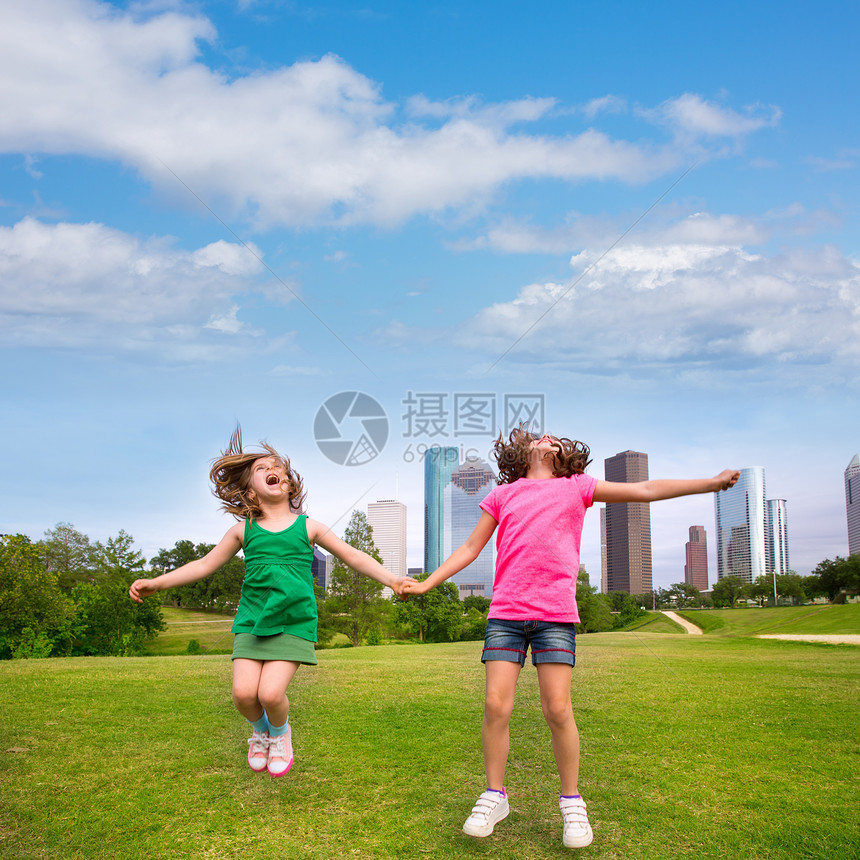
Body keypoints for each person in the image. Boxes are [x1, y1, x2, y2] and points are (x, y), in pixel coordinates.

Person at [401, 426, 739, 849]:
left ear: (563, 454)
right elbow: (470, 547)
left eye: (554, 438)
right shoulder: (503, 494)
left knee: (557, 708)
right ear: (522, 452)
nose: (546, 437)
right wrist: (428, 583)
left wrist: (710, 483)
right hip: (506, 613)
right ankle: (494, 794)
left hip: (555, 617)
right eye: (539, 437)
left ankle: (572, 802)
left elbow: (647, 488)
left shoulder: (577, 487)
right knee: (494, 704)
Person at [130, 427, 404, 777]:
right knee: (244, 695)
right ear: (249, 491)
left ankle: (280, 733)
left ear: (289, 485)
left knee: (271, 694)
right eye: (262, 469)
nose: (273, 471)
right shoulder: (243, 531)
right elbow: (204, 565)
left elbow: (353, 557)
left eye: (279, 469)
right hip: (252, 621)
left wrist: (393, 579)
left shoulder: (309, 528)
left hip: (293, 621)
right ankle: (261, 732)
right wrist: (158, 582)